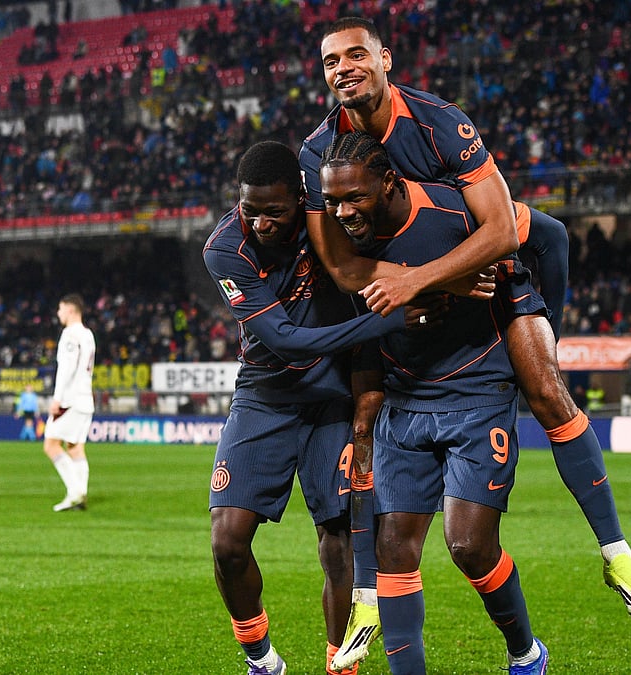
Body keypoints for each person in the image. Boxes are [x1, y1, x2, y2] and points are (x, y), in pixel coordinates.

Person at [300, 21, 631, 664]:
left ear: (385, 59)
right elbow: (340, 268)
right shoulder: (319, 150)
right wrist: (421, 287)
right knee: (365, 424)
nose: (343, 68)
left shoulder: (440, 123)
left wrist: (432, 279)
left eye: (357, 54)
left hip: (493, 272)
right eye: (331, 61)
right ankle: (364, 598)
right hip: (414, 293)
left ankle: (616, 553)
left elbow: (504, 231)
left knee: (548, 392)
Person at [320, 130, 549, 675]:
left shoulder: (455, 217)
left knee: (469, 545)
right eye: (332, 201)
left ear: (390, 183)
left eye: (355, 197)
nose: (343, 211)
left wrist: (546, 327)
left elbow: (547, 240)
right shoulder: (343, 250)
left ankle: (525, 651)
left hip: (476, 394)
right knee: (394, 551)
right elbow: (363, 335)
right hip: (405, 405)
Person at [203, 141, 429, 675]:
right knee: (227, 542)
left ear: (298, 199)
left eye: (274, 211)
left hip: (334, 398)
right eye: (249, 209)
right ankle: (261, 658)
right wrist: (392, 318)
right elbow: (286, 339)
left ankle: (339, 665)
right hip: (266, 394)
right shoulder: (224, 249)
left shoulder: (326, 221)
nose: (260, 223)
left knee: (339, 536)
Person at [43, 293, 95, 512]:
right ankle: (80, 494)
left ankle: (75, 492)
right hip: (86, 399)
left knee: (51, 444)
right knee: (75, 447)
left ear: (71, 310)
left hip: (70, 400)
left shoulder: (70, 334)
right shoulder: (88, 334)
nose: (58, 313)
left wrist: (57, 398)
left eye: (60, 309)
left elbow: (67, 367)